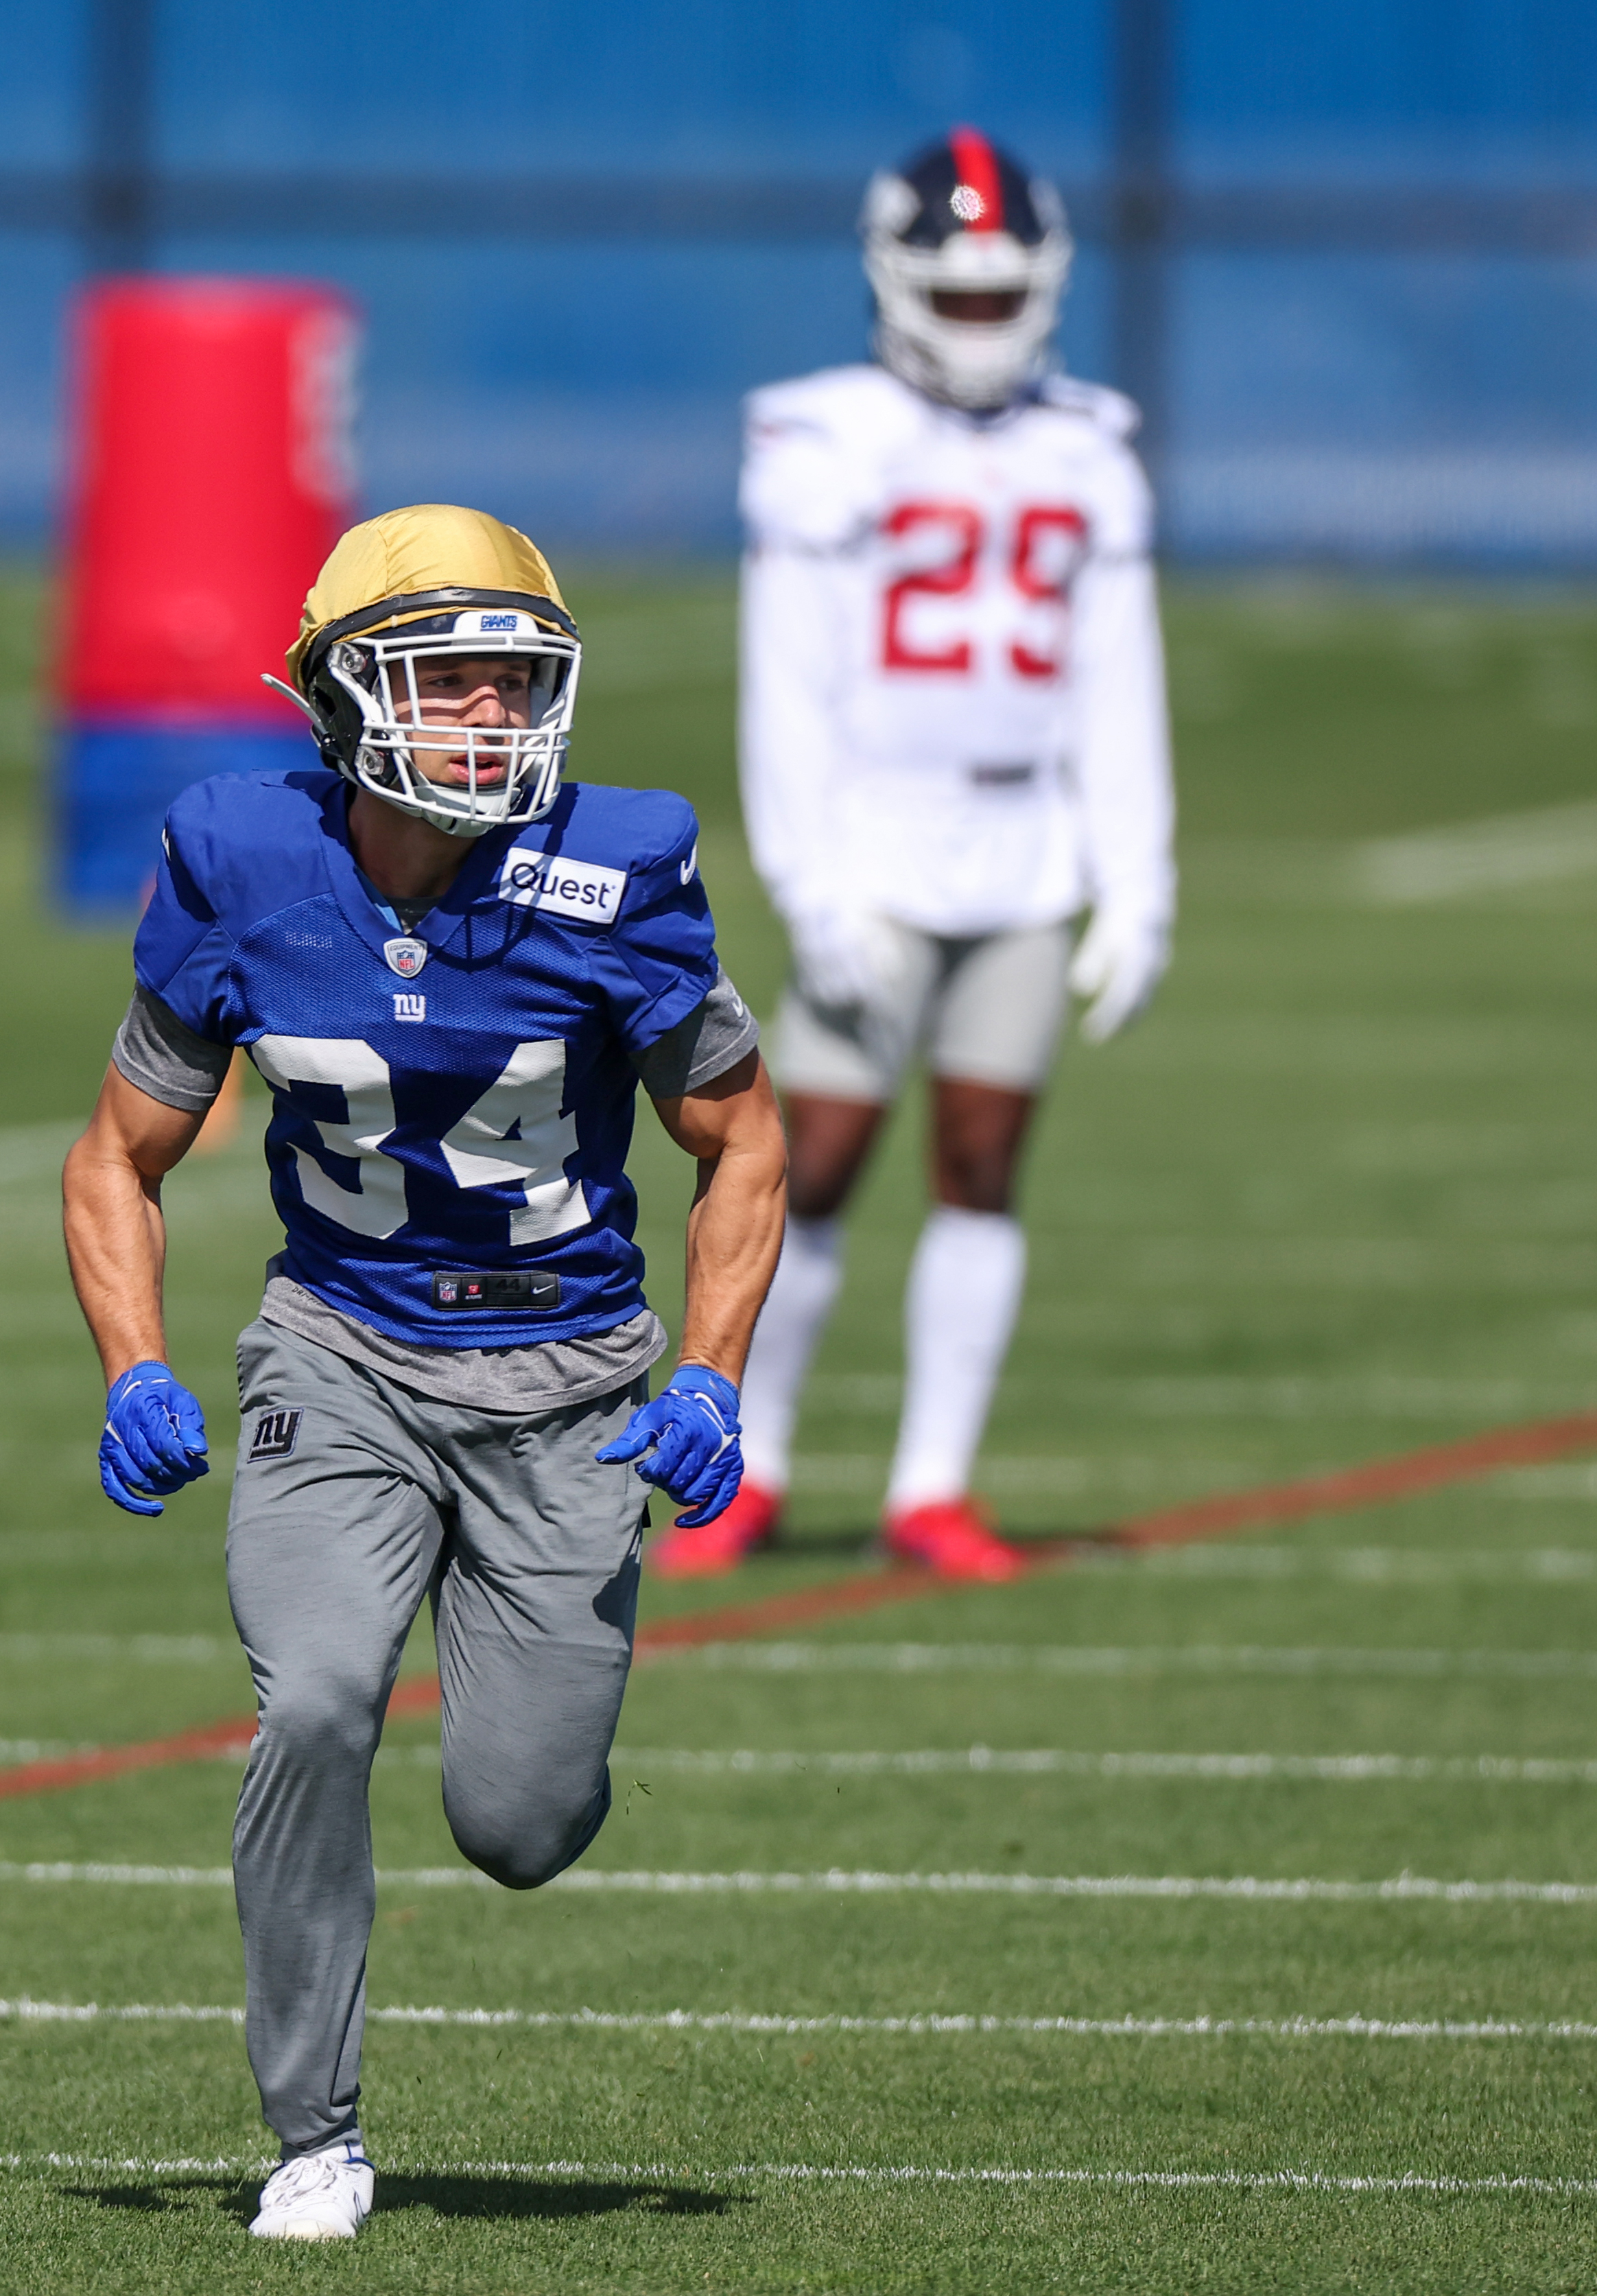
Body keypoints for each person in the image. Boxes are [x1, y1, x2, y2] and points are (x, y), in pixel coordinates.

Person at [61, 505, 785, 2240]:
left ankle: (542, 1683)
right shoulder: (239, 857)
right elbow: (117, 1157)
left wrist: (706, 1380)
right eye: (445, 678)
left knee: (519, 1821)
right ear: (339, 696)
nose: (489, 716)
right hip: (343, 1353)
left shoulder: (618, 867)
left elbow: (742, 1142)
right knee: (312, 1699)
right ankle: (314, 2130)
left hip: (566, 1375)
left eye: (514, 679)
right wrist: (133, 1366)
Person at [652, 128, 1176, 1583]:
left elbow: (1115, 674)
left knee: (982, 1156)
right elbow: (790, 679)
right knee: (810, 1157)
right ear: (891, 283)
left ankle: (931, 1486)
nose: (978, 320)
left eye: (999, 294)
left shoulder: (1086, 442)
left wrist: (1140, 875)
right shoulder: (825, 437)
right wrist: (809, 882)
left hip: (1023, 844)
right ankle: (746, 1467)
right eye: (952, 295)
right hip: (876, 834)